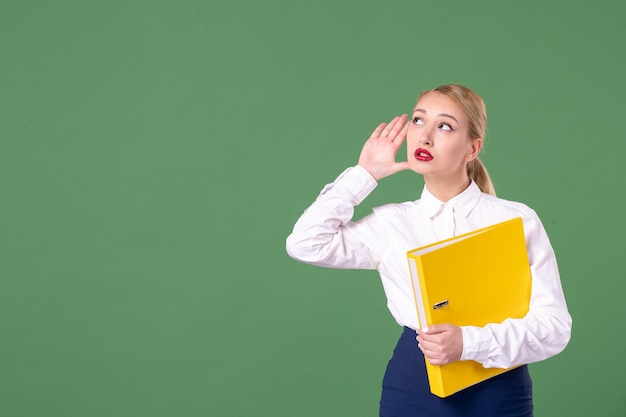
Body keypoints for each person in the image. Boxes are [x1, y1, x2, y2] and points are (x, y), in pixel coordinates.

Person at [285, 84, 572, 416]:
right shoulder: (390, 224)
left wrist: (468, 343)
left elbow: (554, 328)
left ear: (472, 148)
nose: (424, 137)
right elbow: (305, 243)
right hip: (414, 386)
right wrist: (364, 175)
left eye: (445, 126)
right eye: (419, 121)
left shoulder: (516, 220)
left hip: (499, 388)